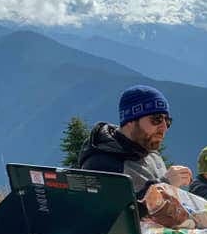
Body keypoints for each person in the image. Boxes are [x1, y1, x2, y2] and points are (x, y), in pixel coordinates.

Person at [78, 85, 193, 216]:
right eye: (156, 119)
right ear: (130, 120)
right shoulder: (101, 163)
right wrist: (165, 186)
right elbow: (115, 218)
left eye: (167, 121)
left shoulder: (152, 155)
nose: (164, 128)